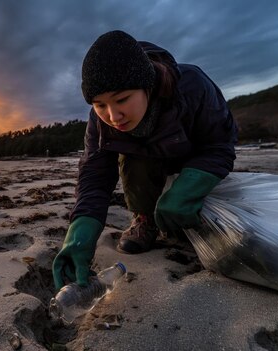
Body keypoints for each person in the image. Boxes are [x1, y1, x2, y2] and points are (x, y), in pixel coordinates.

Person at [52, 30, 237, 291]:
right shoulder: (100, 123)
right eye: (99, 104)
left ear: (146, 85)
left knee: (196, 217)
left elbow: (220, 145)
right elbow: (95, 172)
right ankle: (145, 220)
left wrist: (188, 187)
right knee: (130, 159)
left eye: (122, 99)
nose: (113, 116)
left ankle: (185, 208)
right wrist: (80, 231)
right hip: (147, 167)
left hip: (193, 160)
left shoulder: (193, 86)